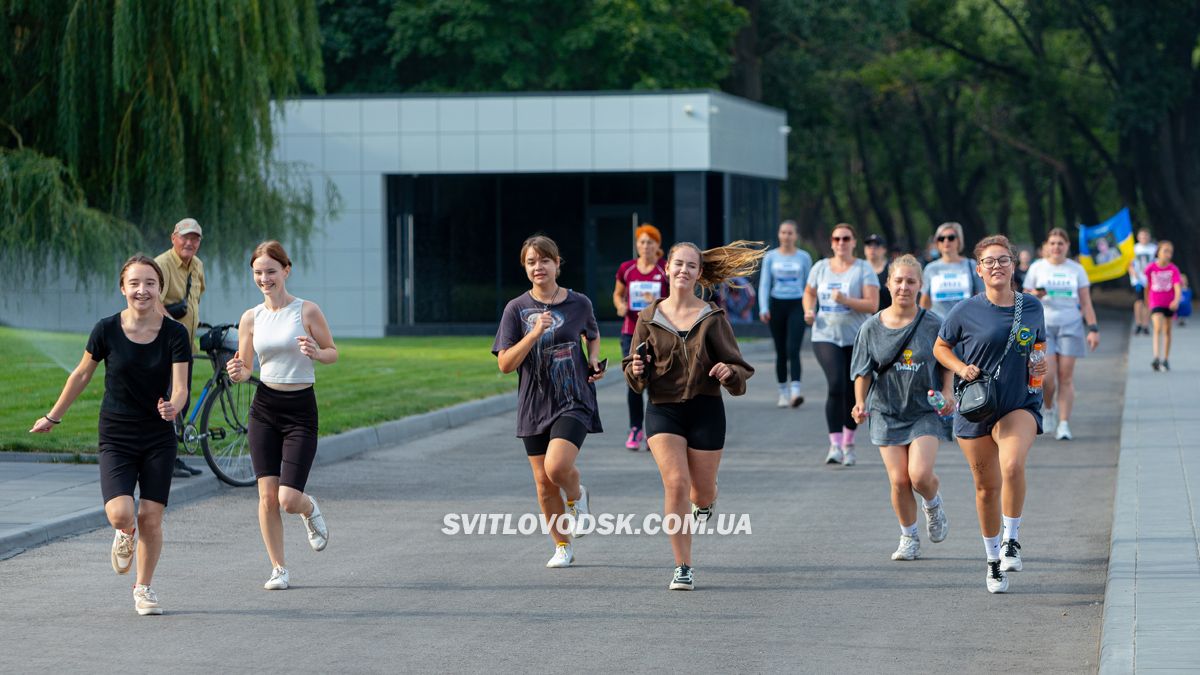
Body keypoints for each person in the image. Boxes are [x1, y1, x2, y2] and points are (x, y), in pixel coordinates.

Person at [30, 255, 191, 615]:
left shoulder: (175, 334)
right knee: (121, 513)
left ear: (160, 288)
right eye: (134, 283)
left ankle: (144, 588)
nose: (142, 290)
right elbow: (82, 374)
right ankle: (125, 533)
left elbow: (180, 386)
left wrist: (174, 406)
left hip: (158, 435)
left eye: (150, 283)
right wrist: (53, 416)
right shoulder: (106, 329)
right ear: (123, 288)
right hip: (117, 433)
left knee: (151, 515)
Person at [624, 240, 761, 591]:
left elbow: (739, 366)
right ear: (666, 269)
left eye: (690, 266)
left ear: (699, 273)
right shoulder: (648, 317)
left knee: (700, 493)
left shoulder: (712, 318)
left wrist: (729, 373)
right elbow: (632, 369)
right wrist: (637, 369)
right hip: (663, 409)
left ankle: (708, 500)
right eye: (677, 264)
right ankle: (683, 566)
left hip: (705, 408)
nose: (683, 270)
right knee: (676, 483)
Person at [934, 234, 1047, 594]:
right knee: (986, 489)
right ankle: (993, 561)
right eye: (989, 262)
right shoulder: (965, 310)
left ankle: (1012, 540)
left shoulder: (1031, 307)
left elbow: (1038, 346)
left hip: (1018, 403)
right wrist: (960, 367)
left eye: (1003, 260)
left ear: (1014, 265)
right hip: (976, 407)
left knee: (1012, 465)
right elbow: (940, 346)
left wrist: (1039, 366)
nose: (996, 266)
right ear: (979, 269)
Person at [226, 241, 337, 591]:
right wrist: (238, 372)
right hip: (264, 408)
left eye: (271, 271)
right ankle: (279, 568)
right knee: (266, 496)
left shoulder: (307, 311)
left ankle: (309, 509)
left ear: (286, 271)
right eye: (258, 272)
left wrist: (317, 353)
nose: (264, 278)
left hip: (300, 409)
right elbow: (246, 367)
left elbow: (333, 353)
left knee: (288, 499)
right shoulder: (250, 317)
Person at [494, 235, 604, 569]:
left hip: (572, 397)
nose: (538, 267)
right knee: (542, 483)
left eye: (544, 260)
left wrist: (594, 361)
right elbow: (505, 364)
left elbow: (593, 334)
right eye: (531, 261)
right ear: (525, 268)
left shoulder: (579, 303)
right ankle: (562, 545)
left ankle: (576, 496)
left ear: (557, 263)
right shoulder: (516, 309)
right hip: (534, 402)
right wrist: (532, 334)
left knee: (556, 467)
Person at [851, 255, 953, 561]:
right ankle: (909, 537)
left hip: (924, 408)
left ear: (921, 285)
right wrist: (859, 402)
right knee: (899, 480)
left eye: (911, 281)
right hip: (885, 409)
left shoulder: (934, 323)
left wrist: (948, 393)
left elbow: (947, 362)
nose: (904, 287)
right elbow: (862, 370)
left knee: (920, 475)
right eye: (898, 281)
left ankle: (933, 506)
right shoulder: (871, 327)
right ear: (888, 284)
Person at [803, 223, 880, 466]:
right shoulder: (821, 268)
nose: (841, 243)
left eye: (846, 238)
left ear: (854, 242)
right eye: (836, 239)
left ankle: (849, 443)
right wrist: (808, 310)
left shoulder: (863, 269)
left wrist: (846, 300)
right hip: (825, 335)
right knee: (835, 384)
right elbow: (808, 292)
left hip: (857, 337)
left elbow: (872, 305)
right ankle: (834, 445)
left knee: (850, 389)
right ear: (831, 241)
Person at [1023, 228, 1100, 440]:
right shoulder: (1037, 267)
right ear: (1046, 246)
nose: (1056, 247)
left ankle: (1064, 423)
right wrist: (1035, 294)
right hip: (1043, 328)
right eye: (1053, 243)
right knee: (1047, 378)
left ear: (1067, 246)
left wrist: (1093, 329)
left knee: (1065, 377)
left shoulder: (1076, 269)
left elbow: (1086, 302)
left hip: (1070, 325)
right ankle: (1049, 409)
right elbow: (1024, 296)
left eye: (1060, 243)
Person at [156, 218, 206, 478]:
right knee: (169, 401)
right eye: (185, 237)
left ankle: (172, 458)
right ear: (173, 237)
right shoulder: (161, 264)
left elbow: (196, 300)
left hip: (186, 347)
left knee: (181, 402)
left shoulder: (197, 265)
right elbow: (153, 303)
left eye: (195, 238)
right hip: (165, 347)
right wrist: (175, 327)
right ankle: (164, 460)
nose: (189, 242)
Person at [613, 224, 669, 451]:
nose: (646, 246)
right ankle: (635, 428)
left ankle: (655, 430)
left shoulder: (664, 269)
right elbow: (617, 294)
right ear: (637, 245)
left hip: (659, 332)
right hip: (631, 332)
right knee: (635, 380)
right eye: (642, 242)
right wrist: (620, 305)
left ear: (658, 245)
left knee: (656, 380)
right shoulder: (627, 269)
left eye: (650, 242)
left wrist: (658, 304)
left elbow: (674, 297)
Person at [758, 220, 813, 408]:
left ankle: (796, 392)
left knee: (793, 349)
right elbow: (765, 283)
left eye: (790, 233)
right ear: (779, 235)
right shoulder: (770, 257)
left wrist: (811, 308)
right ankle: (783, 392)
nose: (786, 236)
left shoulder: (804, 257)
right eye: (783, 232)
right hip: (777, 304)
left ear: (796, 236)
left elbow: (809, 285)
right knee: (781, 351)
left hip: (797, 304)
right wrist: (764, 308)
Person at [921, 222, 982, 318]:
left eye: (951, 237)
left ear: (959, 241)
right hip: (938, 326)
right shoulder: (930, 269)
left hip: (966, 324)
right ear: (937, 243)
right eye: (941, 238)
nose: (946, 241)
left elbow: (981, 297)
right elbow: (924, 302)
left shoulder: (971, 265)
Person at [1144, 241, 1183, 371]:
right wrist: (1147, 301)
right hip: (1156, 301)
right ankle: (1156, 357)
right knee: (1157, 327)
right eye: (1165, 251)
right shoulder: (1151, 268)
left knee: (1167, 330)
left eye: (1170, 252)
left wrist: (1176, 300)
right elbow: (1147, 286)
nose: (1168, 254)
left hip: (1169, 303)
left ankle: (1165, 359)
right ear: (1158, 252)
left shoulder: (1173, 269)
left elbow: (1177, 287)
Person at [1128, 228, 1157, 335]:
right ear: (1138, 237)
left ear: (1149, 237)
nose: (1144, 238)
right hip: (1138, 279)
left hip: (1150, 280)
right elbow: (1129, 264)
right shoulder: (1134, 249)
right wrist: (1133, 272)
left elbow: (1157, 263)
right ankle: (1138, 323)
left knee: (1147, 302)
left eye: (1146, 236)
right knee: (1138, 301)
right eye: (1142, 236)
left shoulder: (1154, 249)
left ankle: (1145, 324)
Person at [864, 234, 892, 311]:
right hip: (864, 319)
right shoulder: (859, 270)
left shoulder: (892, 269)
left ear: (884, 250)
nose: (872, 249)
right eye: (869, 246)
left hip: (887, 317)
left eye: (876, 246)